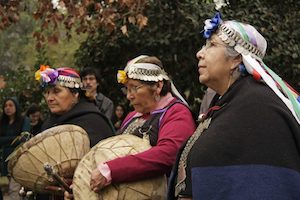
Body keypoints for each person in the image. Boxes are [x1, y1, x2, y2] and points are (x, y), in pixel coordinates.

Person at [168, 12, 300, 199]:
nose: (199, 53)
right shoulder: (227, 102)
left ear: (236, 59)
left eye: (212, 45)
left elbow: (264, 184)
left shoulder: (258, 107)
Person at [64, 55, 196, 199]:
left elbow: (169, 153)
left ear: (158, 86)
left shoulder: (176, 112)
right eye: (127, 89)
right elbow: (110, 154)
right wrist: (83, 183)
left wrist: (111, 170)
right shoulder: (132, 116)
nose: (129, 96)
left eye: (134, 88)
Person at [34, 65, 115, 200]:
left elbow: (104, 166)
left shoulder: (93, 121)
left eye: (56, 91)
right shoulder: (48, 123)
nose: (49, 98)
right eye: (47, 92)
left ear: (75, 94)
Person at [0, 97, 31, 200]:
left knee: (15, 189)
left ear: (16, 106)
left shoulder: (24, 120)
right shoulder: (2, 122)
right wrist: (14, 138)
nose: (7, 108)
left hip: (18, 158)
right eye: (5, 106)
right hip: (3, 160)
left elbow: (23, 138)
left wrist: (5, 140)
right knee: (5, 189)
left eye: (10, 105)